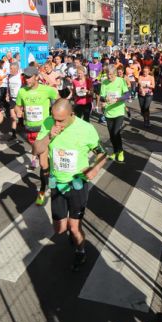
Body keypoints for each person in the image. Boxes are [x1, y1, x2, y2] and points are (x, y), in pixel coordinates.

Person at [33, 99, 108, 271]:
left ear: (71, 114)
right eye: (54, 118)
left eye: (61, 120)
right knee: (59, 229)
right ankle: (72, 233)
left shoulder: (86, 129)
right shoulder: (48, 123)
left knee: (74, 228)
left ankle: (80, 251)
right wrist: (49, 135)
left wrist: (95, 168)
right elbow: (36, 149)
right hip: (56, 182)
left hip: (77, 184)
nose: (57, 123)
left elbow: (102, 153)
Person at [15, 66, 59, 206]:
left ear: (36, 77)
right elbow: (17, 106)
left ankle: (44, 191)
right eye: (25, 77)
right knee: (46, 162)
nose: (26, 79)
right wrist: (18, 111)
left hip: (45, 131)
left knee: (43, 163)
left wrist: (56, 117)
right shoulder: (22, 91)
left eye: (29, 77)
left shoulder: (46, 90)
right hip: (30, 131)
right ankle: (52, 179)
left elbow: (60, 102)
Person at [100, 64, 129, 162]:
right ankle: (115, 151)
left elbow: (127, 95)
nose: (109, 76)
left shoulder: (121, 81)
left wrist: (117, 99)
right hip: (108, 112)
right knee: (111, 134)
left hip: (119, 111)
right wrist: (104, 100)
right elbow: (101, 96)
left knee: (116, 132)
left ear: (115, 73)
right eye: (108, 74)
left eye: (111, 74)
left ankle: (120, 151)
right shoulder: (104, 82)